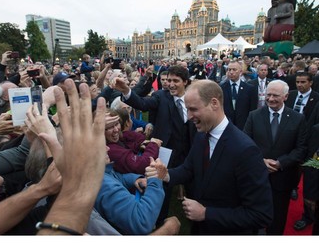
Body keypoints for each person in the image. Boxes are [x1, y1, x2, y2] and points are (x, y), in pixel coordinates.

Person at [145, 79, 273, 235]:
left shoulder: (245, 151)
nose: (189, 116)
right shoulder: (201, 135)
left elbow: (260, 215)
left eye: (193, 109)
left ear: (214, 103)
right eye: (187, 109)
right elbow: (189, 169)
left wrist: (206, 213)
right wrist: (165, 175)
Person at [111, 65, 196, 225]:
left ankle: (195, 218)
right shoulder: (160, 96)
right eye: (168, 80)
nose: (170, 84)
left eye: (175, 81)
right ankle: (158, 222)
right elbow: (142, 103)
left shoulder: (193, 97)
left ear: (185, 82)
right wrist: (126, 91)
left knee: (193, 186)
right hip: (165, 152)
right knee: (162, 188)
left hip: (189, 152)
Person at [244, 79, 307, 235]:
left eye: (275, 95)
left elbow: (301, 149)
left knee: (277, 220)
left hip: (283, 179)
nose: (271, 99)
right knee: (252, 219)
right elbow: (245, 144)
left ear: (285, 96)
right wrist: (261, 161)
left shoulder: (297, 119)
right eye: (268, 94)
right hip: (256, 178)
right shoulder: (254, 115)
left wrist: (280, 163)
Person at [285, 71, 319, 229]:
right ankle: (291, 187)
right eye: (297, 82)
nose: (300, 85)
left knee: (308, 177)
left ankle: (308, 215)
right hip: (288, 138)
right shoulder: (290, 95)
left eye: (303, 82)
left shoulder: (317, 99)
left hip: (308, 144)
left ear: (310, 82)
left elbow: (314, 124)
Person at [220, 60, 258, 130]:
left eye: (234, 70)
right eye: (229, 70)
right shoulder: (221, 88)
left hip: (244, 127)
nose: (231, 72)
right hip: (226, 127)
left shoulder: (250, 89)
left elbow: (253, 110)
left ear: (240, 72)